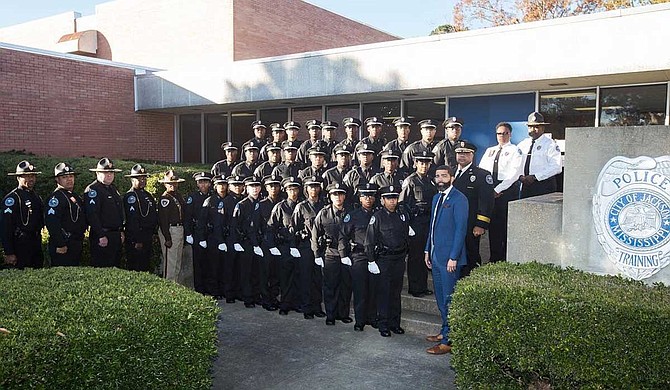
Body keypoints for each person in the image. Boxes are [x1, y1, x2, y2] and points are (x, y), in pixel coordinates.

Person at [424, 165, 468, 355]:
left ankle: (450, 340)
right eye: (437, 176)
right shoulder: (436, 197)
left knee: (449, 299)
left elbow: (460, 230)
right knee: (441, 298)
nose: (440, 179)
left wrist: (454, 257)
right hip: (435, 256)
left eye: (444, 176)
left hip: (449, 259)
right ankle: (444, 331)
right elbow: (432, 227)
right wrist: (427, 250)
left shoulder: (459, 199)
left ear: (452, 178)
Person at [364, 185, 411, 338]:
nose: (392, 201)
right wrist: (371, 260)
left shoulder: (402, 215)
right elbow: (369, 241)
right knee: (384, 293)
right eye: (389, 198)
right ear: (383, 200)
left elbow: (405, 237)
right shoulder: (377, 217)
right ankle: (383, 324)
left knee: (396, 293)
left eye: (395, 198)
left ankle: (394, 323)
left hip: (398, 259)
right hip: (384, 259)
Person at [478, 122, 523, 263]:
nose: (501, 136)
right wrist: (487, 190)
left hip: (506, 191)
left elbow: (514, 174)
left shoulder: (516, 150)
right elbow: (481, 169)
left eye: (505, 133)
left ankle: (505, 259)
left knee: (504, 227)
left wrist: (498, 189)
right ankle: (494, 257)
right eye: (499, 133)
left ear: (510, 134)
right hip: (491, 190)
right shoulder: (490, 150)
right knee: (493, 227)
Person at [339, 182, 379, 331]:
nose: (368, 199)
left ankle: (372, 317)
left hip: (375, 255)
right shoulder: (353, 216)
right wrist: (343, 254)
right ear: (360, 199)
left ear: (375, 198)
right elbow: (343, 235)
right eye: (364, 196)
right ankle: (360, 320)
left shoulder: (379, 214)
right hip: (359, 256)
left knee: (374, 288)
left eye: (371, 196)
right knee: (360, 289)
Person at [452, 141, 495, 278]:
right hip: (453, 222)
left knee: (471, 253)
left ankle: (470, 283)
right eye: (459, 153)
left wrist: (481, 224)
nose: (462, 156)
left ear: (472, 155)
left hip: (470, 223)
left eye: (465, 153)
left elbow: (487, 202)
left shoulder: (482, 175)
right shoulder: (450, 172)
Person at [312, 183, 352, 325]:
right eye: (335, 194)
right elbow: (315, 233)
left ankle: (343, 314)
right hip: (330, 254)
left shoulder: (350, 212)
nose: (338, 197)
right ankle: (331, 314)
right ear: (330, 196)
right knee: (331, 286)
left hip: (347, 255)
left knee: (346, 286)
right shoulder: (323, 213)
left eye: (340, 194)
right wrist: (317, 254)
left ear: (345, 196)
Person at [399, 150, 437, 297]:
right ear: (415, 163)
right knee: (415, 256)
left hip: (428, 222)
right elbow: (402, 204)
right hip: (415, 222)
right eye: (421, 162)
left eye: (427, 163)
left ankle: (423, 285)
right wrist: (407, 225)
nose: (424, 165)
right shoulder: (411, 181)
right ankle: (415, 287)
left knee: (425, 255)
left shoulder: (431, 181)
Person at [291, 175, 326, 319]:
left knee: (318, 278)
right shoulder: (301, 206)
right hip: (305, 247)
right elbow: (293, 227)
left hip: (321, 247)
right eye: (311, 186)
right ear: (306, 189)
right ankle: (306, 307)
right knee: (305, 277)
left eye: (316, 186)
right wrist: (294, 245)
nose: (314, 189)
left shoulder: (324, 206)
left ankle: (317, 306)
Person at [267, 176, 302, 315]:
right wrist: (272, 246)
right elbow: (271, 228)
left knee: (298, 276)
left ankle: (296, 303)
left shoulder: (302, 205)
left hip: (299, 246)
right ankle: (285, 304)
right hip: (285, 246)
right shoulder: (280, 207)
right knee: (285, 277)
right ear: (286, 191)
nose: (293, 192)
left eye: (295, 189)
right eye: (290, 189)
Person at [2, 161, 44, 269]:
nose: (31, 179)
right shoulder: (12, 198)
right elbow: (5, 227)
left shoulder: (36, 197)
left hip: (35, 244)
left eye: (33, 176)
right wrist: (9, 252)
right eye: (26, 176)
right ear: (18, 178)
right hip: (19, 244)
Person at [230, 175, 264, 308]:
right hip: (246, 243)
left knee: (257, 271)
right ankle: (247, 297)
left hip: (259, 243)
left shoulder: (261, 203)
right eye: (251, 187)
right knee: (246, 272)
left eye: (256, 186)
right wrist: (236, 242)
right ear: (246, 188)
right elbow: (234, 225)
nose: (255, 189)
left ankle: (256, 295)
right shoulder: (242, 205)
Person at [45, 162, 87, 267]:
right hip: (64, 244)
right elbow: (52, 223)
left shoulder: (74, 196)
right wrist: (60, 244)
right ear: (57, 179)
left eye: (71, 176)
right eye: (64, 177)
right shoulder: (56, 198)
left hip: (75, 243)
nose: (69, 179)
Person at [85, 158, 124, 268]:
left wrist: (120, 230)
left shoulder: (112, 189)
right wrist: (101, 235)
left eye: (111, 172)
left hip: (115, 236)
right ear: (97, 173)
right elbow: (92, 215)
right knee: (103, 268)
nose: (109, 175)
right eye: (105, 172)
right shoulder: (93, 190)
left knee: (116, 267)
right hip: (102, 236)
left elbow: (118, 213)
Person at [197, 175, 230, 300]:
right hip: (212, 238)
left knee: (224, 266)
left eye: (224, 184)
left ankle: (222, 290)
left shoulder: (228, 200)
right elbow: (201, 222)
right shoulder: (210, 201)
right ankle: (213, 291)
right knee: (213, 266)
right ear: (215, 186)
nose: (222, 187)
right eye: (219, 185)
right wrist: (202, 239)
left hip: (225, 238)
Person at [518, 112, 562, 198]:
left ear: (543, 128)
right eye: (530, 127)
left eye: (536, 127)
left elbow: (556, 167)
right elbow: (516, 163)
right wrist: (520, 176)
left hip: (544, 185)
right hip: (526, 185)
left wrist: (535, 177)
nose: (533, 129)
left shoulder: (550, 144)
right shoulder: (523, 144)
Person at [123, 164, 158, 272]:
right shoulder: (131, 196)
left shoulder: (147, 195)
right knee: (136, 267)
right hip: (137, 238)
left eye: (144, 178)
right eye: (139, 178)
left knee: (145, 266)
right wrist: (137, 240)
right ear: (132, 180)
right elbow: (133, 220)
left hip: (147, 236)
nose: (142, 180)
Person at [256, 174, 283, 311]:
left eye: (276, 185)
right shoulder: (261, 205)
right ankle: (266, 300)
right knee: (265, 273)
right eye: (270, 186)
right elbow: (255, 226)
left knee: (276, 274)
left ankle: (274, 297)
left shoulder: (282, 203)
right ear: (266, 188)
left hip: (279, 243)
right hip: (266, 243)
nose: (273, 188)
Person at [184, 171, 212, 294]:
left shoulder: (213, 196)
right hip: (197, 233)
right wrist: (188, 233)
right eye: (200, 182)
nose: (203, 185)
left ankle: (210, 288)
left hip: (211, 233)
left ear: (210, 183)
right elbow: (187, 217)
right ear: (197, 184)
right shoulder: (193, 197)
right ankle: (200, 290)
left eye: (205, 182)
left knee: (210, 262)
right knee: (199, 263)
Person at [157, 170, 186, 283]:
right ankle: (169, 287)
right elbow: (163, 220)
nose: (173, 185)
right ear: (165, 184)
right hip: (170, 230)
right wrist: (167, 238)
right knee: (170, 263)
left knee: (177, 261)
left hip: (179, 229)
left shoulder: (178, 196)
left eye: (175, 183)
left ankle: (176, 286)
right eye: (170, 183)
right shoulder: (165, 198)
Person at [223, 174, 247, 303]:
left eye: (240, 185)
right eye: (235, 185)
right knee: (229, 268)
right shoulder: (226, 201)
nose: (238, 188)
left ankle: (239, 292)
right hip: (230, 239)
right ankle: (229, 294)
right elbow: (222, 222)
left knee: (240, 267)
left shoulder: (244, 200)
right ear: (230, 187)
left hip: (242, 239)